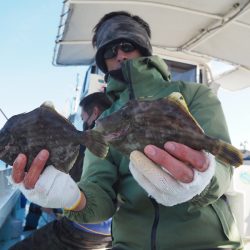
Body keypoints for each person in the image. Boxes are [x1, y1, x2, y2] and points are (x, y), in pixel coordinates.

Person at [10, 11, 243, 249]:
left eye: (126, 45)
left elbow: (224, 166)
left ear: (142, 47)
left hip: (210, 242)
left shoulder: (194, 94)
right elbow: (99, 190)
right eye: (110, 51)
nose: (120, 55)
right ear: (103, 61)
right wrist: (72, 198)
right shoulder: (106, 121)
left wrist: (202, 180)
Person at [10, 92, 113, 250]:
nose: (83, 121)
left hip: (83, 229)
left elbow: (84, 189)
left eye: (82, 116)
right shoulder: (116, 140)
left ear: (95, 113)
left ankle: (29, 229)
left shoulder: (92, 148)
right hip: (110, 232)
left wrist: (66, 202)